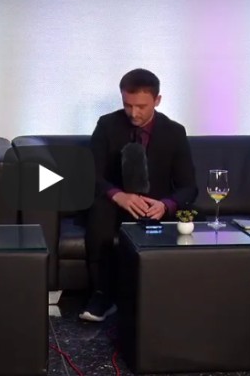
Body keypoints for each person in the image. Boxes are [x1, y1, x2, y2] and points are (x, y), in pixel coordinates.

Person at [80, 68, 198, 322]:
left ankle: (162, 299)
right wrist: (117, 195)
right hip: (114, 205)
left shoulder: (174, 132)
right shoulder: (107, 125)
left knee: (180, 215)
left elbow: (189, 187)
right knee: (101, 209)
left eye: (141, 106)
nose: (134, 113)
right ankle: (102, 295)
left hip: (155, 208)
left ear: (157, 100)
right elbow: (88, 174)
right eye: (128, 105)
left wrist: (166, 205)